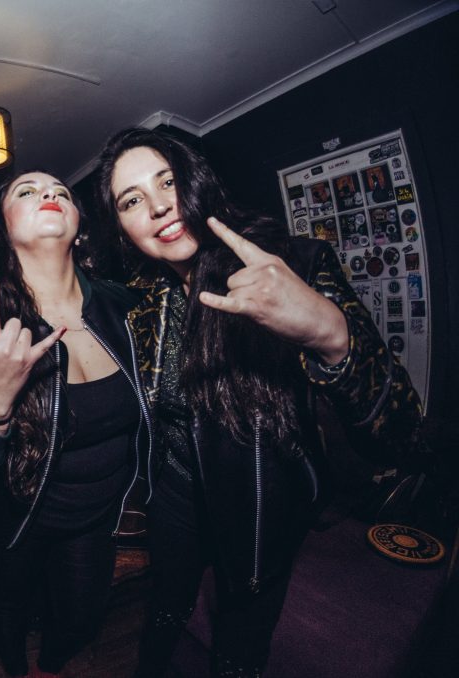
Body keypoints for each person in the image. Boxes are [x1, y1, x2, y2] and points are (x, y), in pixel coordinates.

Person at [94, 127, 425, 677]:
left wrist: (330, 335)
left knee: (241, 636)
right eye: (131, 200)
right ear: (123, 228)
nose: (157, 206)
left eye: (167, 181)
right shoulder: (146, 295)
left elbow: (401, 434)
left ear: (196, 179)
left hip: (261, 500)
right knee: (166, 606)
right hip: (174, 492)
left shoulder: (289, 265)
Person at [0, 171, 151, 678]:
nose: (50, 194)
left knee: (81, 618)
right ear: (2, 228)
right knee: (10, 606)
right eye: (26, 192)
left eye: (61, 192)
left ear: (78, 225)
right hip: (14, 519)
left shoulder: (126, 308)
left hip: (98, 516)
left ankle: (48, 669)